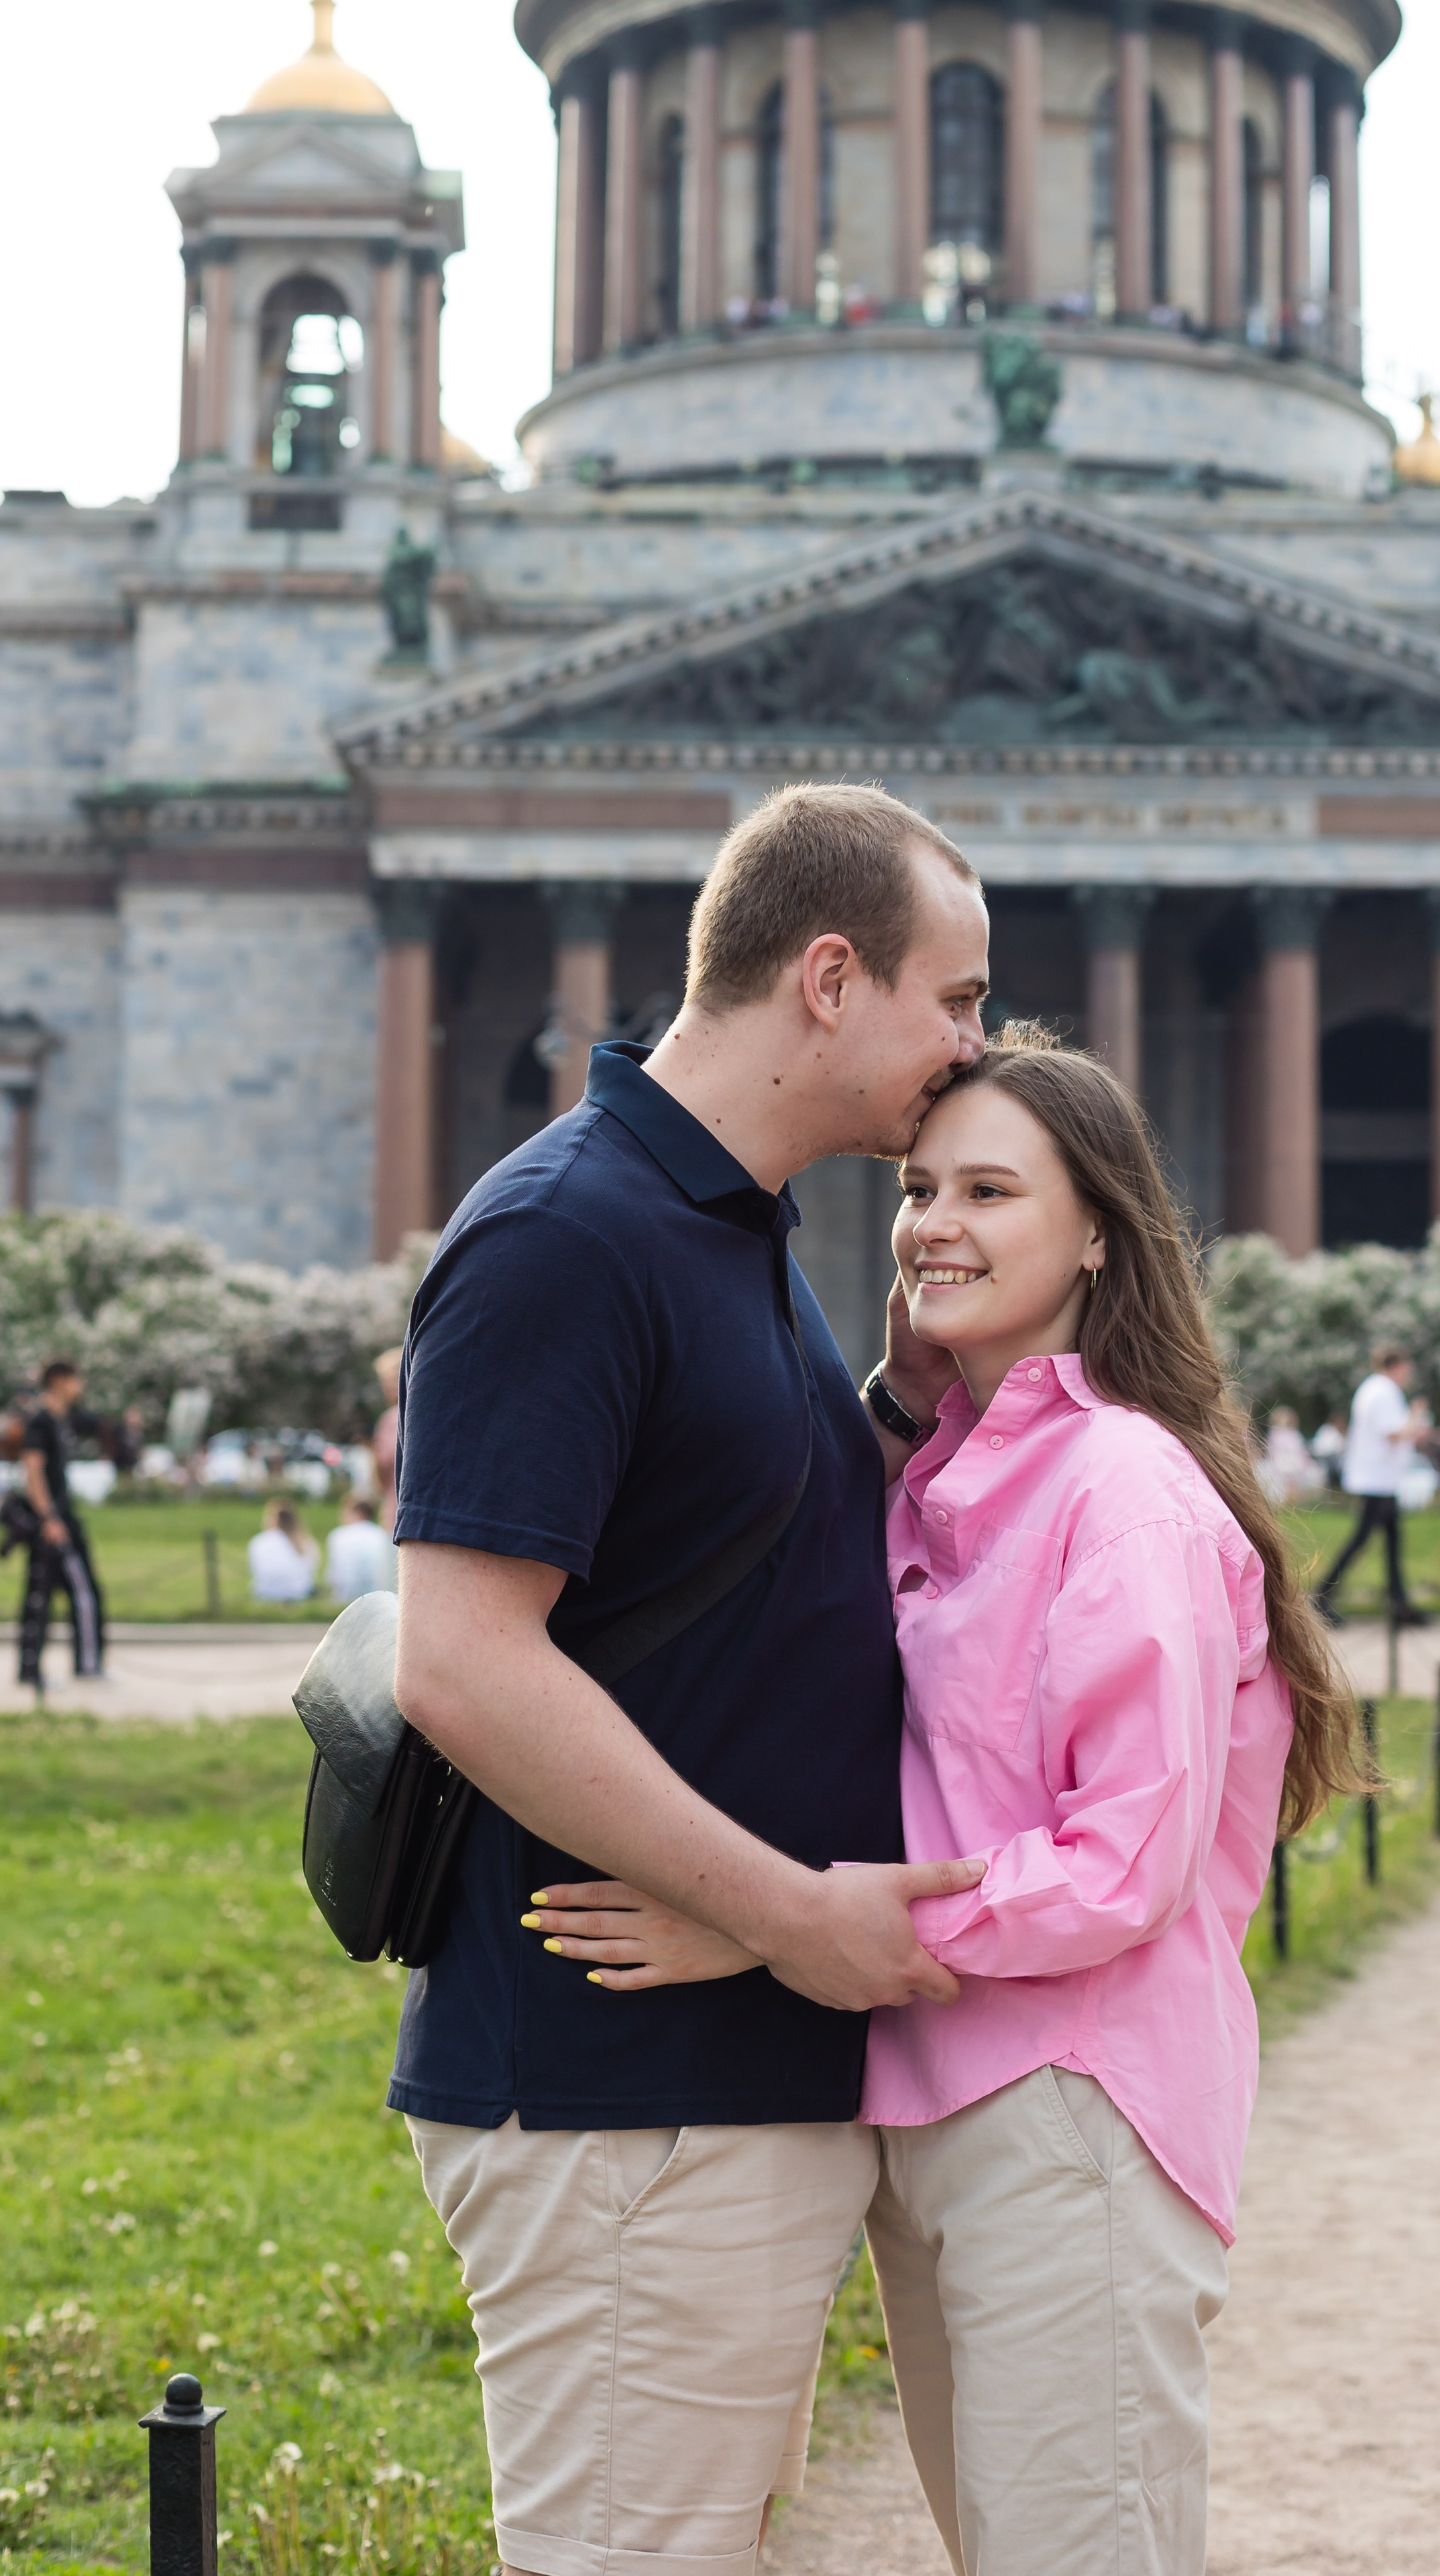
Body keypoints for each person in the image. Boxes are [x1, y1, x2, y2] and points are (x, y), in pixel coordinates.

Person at [533, 1028, 1359, 2576]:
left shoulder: (1122, 1480)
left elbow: (1121, 1860)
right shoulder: (953, 1469)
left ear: (1097, 1229)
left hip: (1070, 2100)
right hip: (937, 2100)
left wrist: (789, 1927)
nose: (933, 1223)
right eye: (920, 1186)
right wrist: (897, 1413)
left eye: (990, 1188)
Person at [388, 782, 993, 2575]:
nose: (973, 1047)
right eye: (954, 998)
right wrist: (794, 1914)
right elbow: (465, 1663)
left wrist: (887, 1415)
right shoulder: (571, 1235)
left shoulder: (730, 1226)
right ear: (829, 978)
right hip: (617, 2089)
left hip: (703, 2091)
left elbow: (721, 1568)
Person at [1313, 1344, 1431, 1627]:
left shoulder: (1377, 1390)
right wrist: (1417, 1415)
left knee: (1391, 1541)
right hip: (1376, 1479)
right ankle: (1322, 1597)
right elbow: (1393, 1432)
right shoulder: (1382, 1392)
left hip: (1381, 1479)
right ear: (1397, 1366)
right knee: (1361, 1539)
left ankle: (1399, 1603)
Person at [15, 1359, 105, 1693]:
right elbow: (33, 1471)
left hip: (62, 1517)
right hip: (54, 1521)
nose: (79, 1386)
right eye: (75, 1379)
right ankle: (83, 1665)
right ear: (59, 1380)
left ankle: (38, 1669)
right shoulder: (41, 1420)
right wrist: (49, 1518)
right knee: (76, 1593)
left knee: (49, 1595)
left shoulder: (59, 1420)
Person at [325, 1494, 396, 1603]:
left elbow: (334, 1573)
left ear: (356, 1512)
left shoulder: (338, 1535)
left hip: (346, 1595)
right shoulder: (382, 1535)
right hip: (379, 1594)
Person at [247, 1499, 319, 1603]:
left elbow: (255, 1571)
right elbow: (312, 1569)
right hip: (300, 1593)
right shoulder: (306, 1542)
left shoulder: (259, 1541)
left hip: (266, 1594)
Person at [371, 1347, 402, 1535]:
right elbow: (379, 1477)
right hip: (392, 1513)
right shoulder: (387, 1421)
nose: (388, 1386)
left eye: (392, 1378)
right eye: (385, 1381)